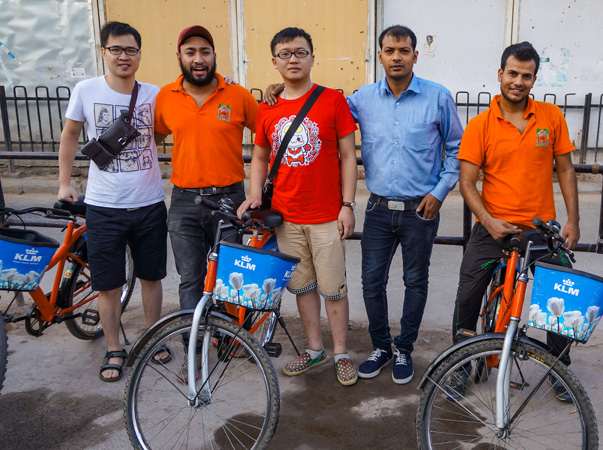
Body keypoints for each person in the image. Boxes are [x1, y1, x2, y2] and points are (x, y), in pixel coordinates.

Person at [451, 41, 580, 399]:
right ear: (500, 75)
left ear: (535, 79)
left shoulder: (551, 117)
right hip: (494, 228)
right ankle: (460, 366)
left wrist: (573, 220)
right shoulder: (480, 124)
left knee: (561, 297)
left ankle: (558, 366)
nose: (518, 81)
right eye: (512, 73)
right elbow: (466, 181)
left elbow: (566, 169)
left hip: (541, 230)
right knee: (467, 296)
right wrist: (488, 221)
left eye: (526, 75)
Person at [237, 27, 359, 386]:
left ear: (312, 57)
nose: (293, 59)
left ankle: (341, 353)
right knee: (302, 288)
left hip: (326, 216)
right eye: (285, 53)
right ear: (274, 61)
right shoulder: (268, 107)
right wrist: (256, 193)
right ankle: (314, 348)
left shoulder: (332, 101)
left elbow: (350, 156)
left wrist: (347, 204)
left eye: (300, 52)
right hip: (286, 217)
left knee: (333, 288)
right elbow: (260, 155)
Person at [347, 25, 462, 385]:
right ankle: (381, 345)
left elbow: (458, 148)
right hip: (379, 209)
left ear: (415, 55)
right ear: (379, 55)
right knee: (370, 282)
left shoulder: (438, 97)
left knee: (415, 281)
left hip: (420, 210)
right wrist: (279, 91)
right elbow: (323, 115)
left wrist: (439, 192)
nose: (397, 56)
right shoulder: (361, 99)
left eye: (404, 50)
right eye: (390, 50)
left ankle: (404, 348)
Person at [57, 22, 168, 382]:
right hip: (104, 206)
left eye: (131, 50)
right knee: (109, 284)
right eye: (116, 49)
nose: (124, 56)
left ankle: (152, 337)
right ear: (103, 51)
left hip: (149, 202)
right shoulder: (86, 89)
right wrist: (64, 183)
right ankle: (114, 348)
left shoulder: (154, 94)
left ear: (139, 54)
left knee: (152, 277)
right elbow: (70, 137)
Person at [154, 25, 259, 313]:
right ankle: (194, 338)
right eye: (190, 52)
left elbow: (269, 132)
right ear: (179, 57)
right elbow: (152, 138)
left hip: (229, 200)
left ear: (214, 56)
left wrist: (278, 93)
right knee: (190, 278)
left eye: (204, 52)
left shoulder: (238, 96)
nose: (198, 59)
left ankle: (227, 340)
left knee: (229, 278)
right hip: (184, 201)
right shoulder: (166, 97)